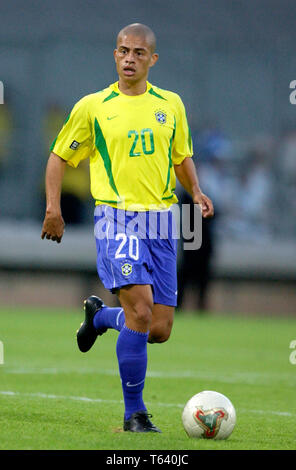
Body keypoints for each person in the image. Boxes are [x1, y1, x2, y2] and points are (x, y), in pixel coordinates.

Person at [41, 23, 214, 433]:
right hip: (116, 218)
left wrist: (197, 190)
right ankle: (134, 414)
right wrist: (53, 208)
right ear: (114, 55)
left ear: (153, 59)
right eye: (123, 51)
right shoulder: (94, 106)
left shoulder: (170, 104)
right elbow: (57, 157)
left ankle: (100, 318)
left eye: (138, 52)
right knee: (139, 309)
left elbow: (180, 156)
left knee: (158, 327)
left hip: (163, 221)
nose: (130, 58)